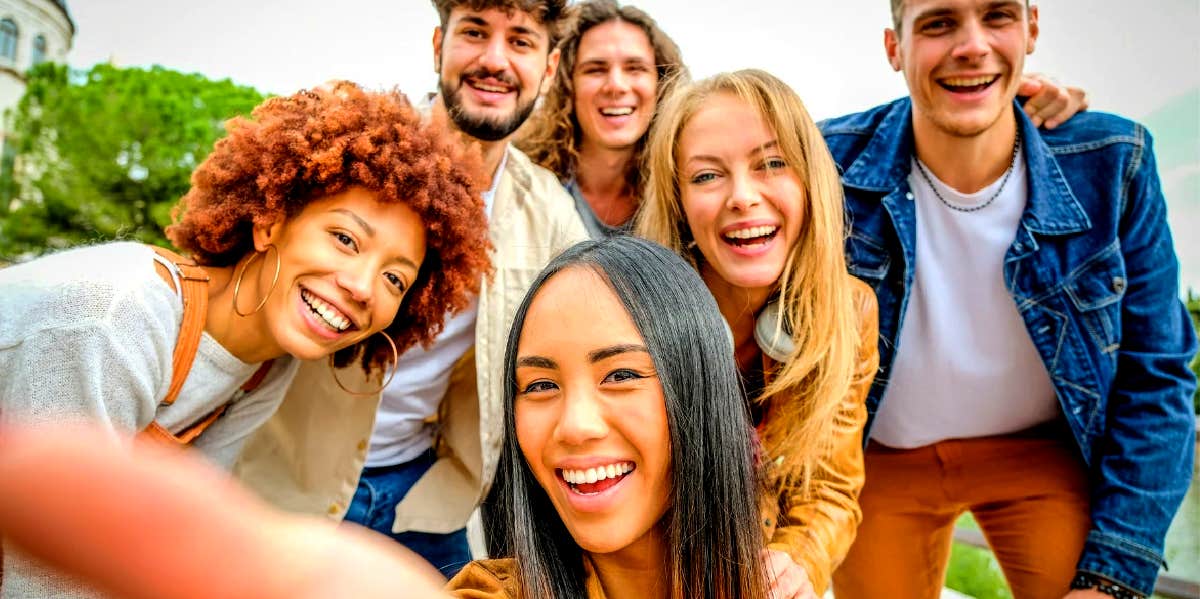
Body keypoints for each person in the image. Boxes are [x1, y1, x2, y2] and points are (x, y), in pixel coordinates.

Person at [0, 236, 773, 599]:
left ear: (697, 388)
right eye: (538, 386)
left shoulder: (782, 583)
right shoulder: (109, 314)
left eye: (622, 375)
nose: (573, 424)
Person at [0, 81, 493, 597]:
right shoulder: (110, 321)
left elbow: (180, 531)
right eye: (345, 239)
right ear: (269, 223)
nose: (362, 287)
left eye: (396, 278)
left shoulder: (268, 362)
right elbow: (43, 578)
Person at [823, 2, 1198, 598]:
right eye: (939, 23)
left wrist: (1112, 579)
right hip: (880, 458)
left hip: (1039, 454)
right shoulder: (826, 164)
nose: (972, 45)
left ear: (1032, 28)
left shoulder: (1111, 161)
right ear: (895, 48)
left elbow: (1156, 376)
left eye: (997, 16)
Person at [232, 0, 589, 578]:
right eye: (474, 32)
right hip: (278, 488)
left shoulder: (550, 214)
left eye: (521, 41)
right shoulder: (344, 152)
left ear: (548, 70)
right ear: (437, 47)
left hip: (425, 504)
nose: (494, 60)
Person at [636, 69, 879, 599]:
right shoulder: (629, 313)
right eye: (706, 176)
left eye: (771, 163)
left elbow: (831, 491)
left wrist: (794, 562)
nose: (743, 197)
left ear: (809, 180)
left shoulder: (850, 311)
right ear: (678, 201)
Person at [517, 0, 685, 237]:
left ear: (661, 82)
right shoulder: (523, 183)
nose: (616, 86)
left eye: (635, 68)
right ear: (566, 83)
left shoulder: (684, 191)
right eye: (595, 69)